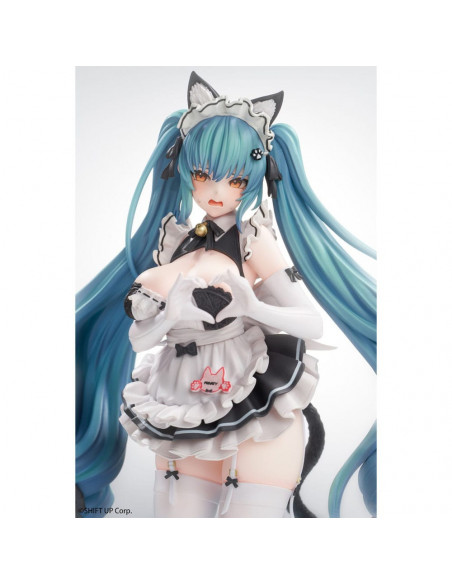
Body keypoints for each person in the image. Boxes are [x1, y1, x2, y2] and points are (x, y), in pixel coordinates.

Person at [76, 71, 376, 518]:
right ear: (185, 171)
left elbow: (311, 322)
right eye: (202, 175)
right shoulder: (174, 241)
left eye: (234, 180)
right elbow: (138, 340)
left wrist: (253, 307)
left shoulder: (254, 239)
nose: (215, 192)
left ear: (254, 177)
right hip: (180, 398)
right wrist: (166, 317)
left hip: (245, 395)